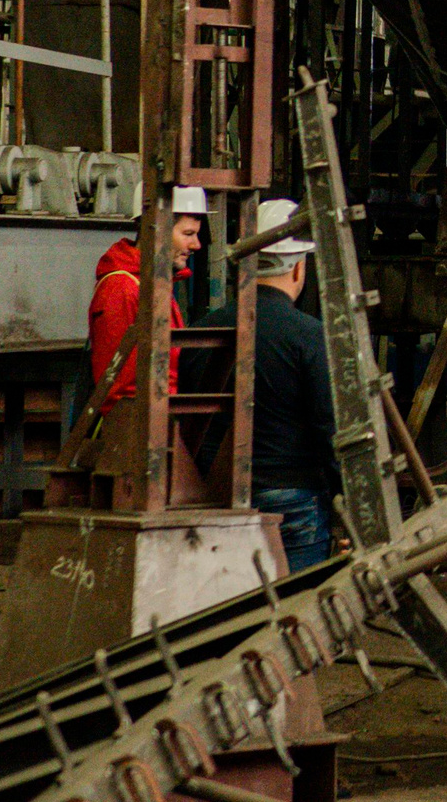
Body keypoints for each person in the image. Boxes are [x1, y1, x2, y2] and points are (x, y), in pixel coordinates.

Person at [186, 198, 343, 571]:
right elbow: (330, 429)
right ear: (298, 268)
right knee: (297, 601)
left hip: (215, 499)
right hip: (293, 501)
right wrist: (346, 499)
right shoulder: (310, 337)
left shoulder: (198, 333)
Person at [86, 187, 207, 403]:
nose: (196, 245)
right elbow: (123, 391)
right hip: (140, 421)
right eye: (188, 234)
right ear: (156, 230)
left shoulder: (151, 286)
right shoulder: (122, 289)